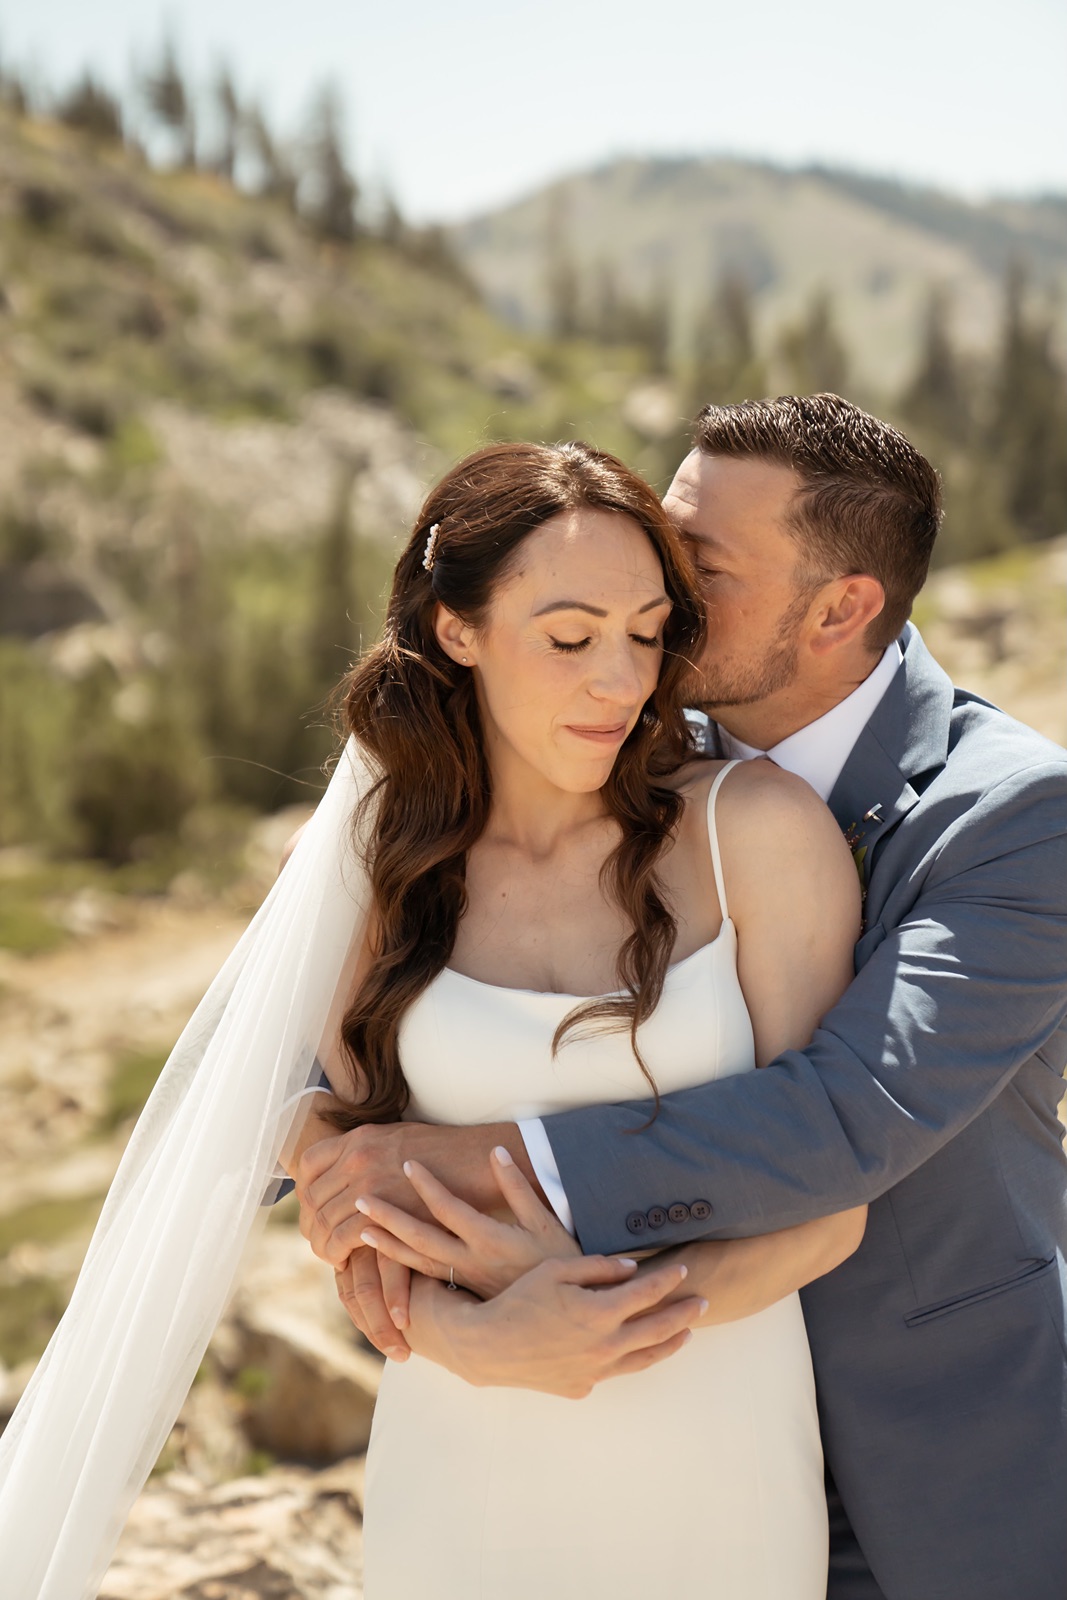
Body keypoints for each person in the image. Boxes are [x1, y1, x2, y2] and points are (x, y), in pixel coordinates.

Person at [296, 397, 1067, 1600]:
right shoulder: (609, 737)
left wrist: (476, 1162)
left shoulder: (1015, 816)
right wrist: (447, 1312)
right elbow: (339, 1110)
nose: (650, 600)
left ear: (840, 608)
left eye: (693, 572)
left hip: (929, 1452)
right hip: (566, 1439)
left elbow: (845, 1111)